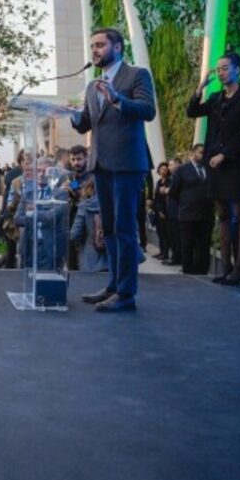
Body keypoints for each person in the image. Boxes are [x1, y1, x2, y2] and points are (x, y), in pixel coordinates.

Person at [71, 28, 156, 312]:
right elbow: (85, 123)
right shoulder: (92, 86)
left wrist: (118, 99)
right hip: (102, 164)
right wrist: (66, 113)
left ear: (117, 47)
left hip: (128, 164)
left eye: (100, 45)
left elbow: (147, 109)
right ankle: (113, 285)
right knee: (108, 228)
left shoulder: (136, 75)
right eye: (92, 45)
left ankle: (127, 293)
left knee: (124, 229)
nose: (94, 50)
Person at [187, 52, 240, 284]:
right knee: (223, 214)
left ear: (237, 70)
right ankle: (224, 267)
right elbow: (192, 112)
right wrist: (201, 87)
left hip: (236, 163)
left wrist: (224, 154)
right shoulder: (215, 98)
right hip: (214, 164)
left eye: (225, 68)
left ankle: (239, 267)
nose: (221, 72)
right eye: (218, 69)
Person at [169, 144, 212, 275]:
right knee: (188, 243)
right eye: (200, 152)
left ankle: (202, 270)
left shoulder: (209, 169)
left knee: (204, 243)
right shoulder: (182, 170)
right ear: (193, 153)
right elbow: (174, 192)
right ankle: (187, 269)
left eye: (205, 153)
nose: (203, 155)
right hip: (188, 213)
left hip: (206, 214)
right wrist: (184, 204)